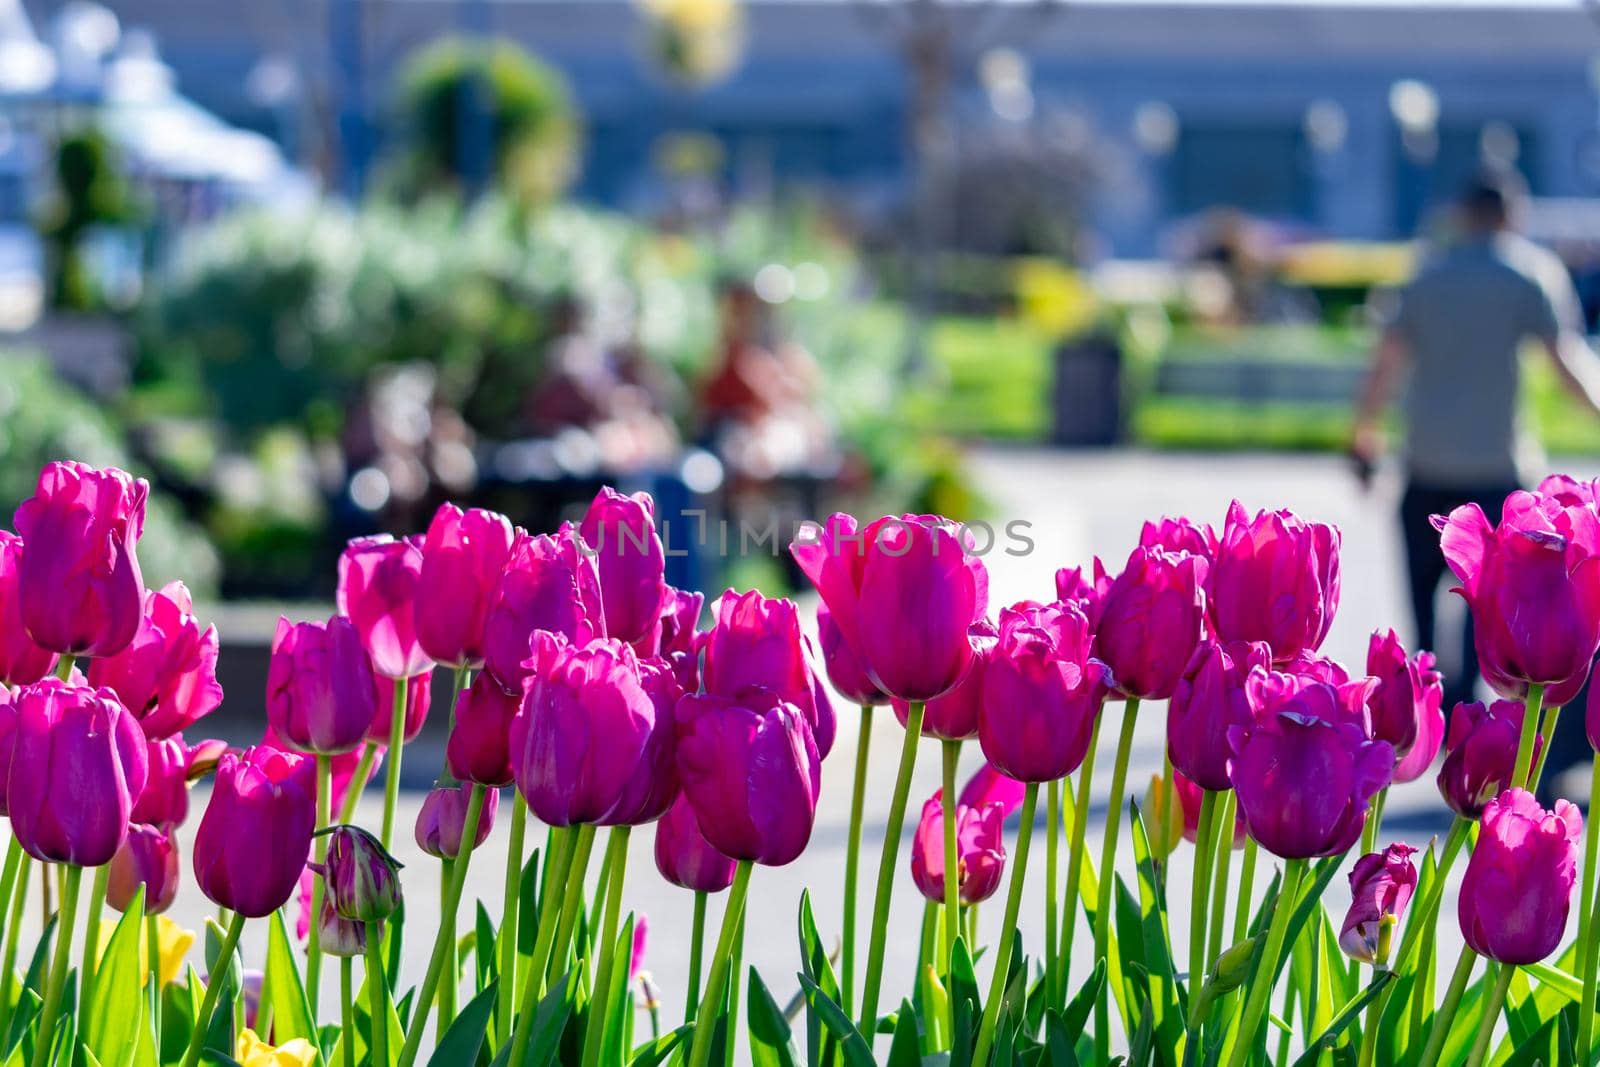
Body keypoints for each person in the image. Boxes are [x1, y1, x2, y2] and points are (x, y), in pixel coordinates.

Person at [1353, 170, 1600, 712]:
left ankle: (1426, 706)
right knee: (1484, 607)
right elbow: (1564, 364)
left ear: (1463, 214)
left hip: (1424, 462)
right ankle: (1465, 711)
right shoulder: (1529, 275)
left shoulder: (1425, 276)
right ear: (1513, 214)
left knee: (1422, 599)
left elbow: (1385, 366)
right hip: (1496, 465)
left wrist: (1362, 435)